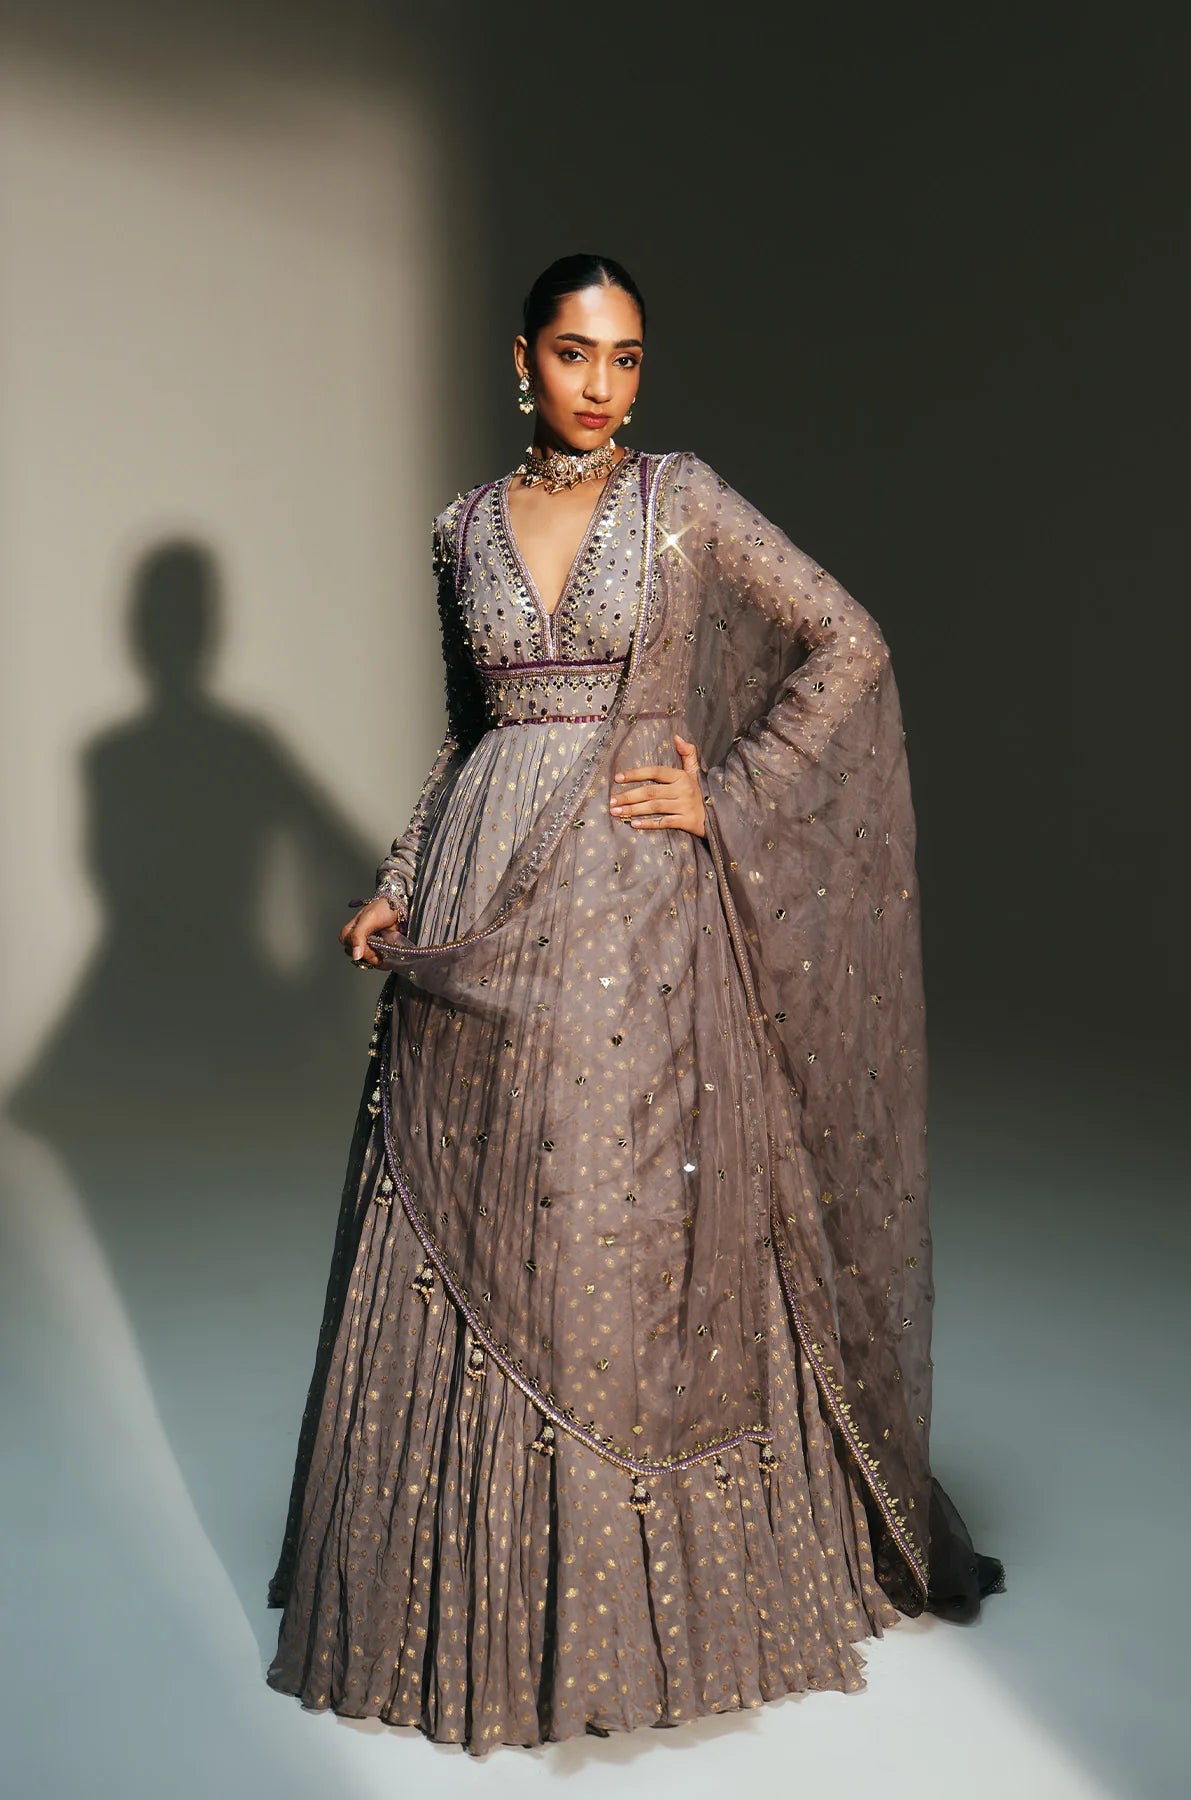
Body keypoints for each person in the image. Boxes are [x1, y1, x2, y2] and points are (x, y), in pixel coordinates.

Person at [266, 252, 1004, 1755]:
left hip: (630, 914)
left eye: (626, 358)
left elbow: (847, 644)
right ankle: (467, 1596)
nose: (601, 385)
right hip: (477, 903)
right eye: (574, 353)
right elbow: (467, 733)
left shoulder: (683, 502)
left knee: (609, 1226)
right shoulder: (460, 527)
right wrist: (399, 880)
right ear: (520, 360)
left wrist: (727, 792)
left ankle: (631, 1601)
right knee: (473, 1211)